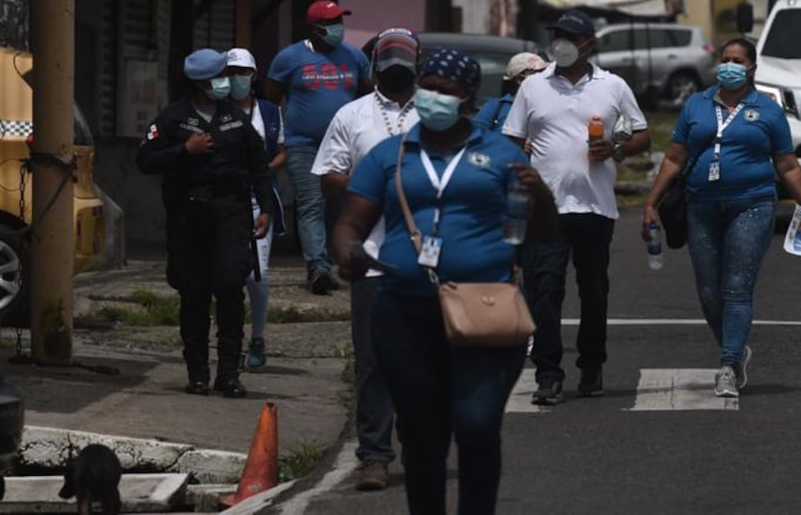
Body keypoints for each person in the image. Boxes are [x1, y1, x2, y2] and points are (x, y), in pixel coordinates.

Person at [333, 48, 557, 515]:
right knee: (421, 433)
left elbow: (533, 234)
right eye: (427, 86)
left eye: (445, 90)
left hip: (485, 307)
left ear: (468, 98)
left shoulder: (500, 154)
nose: (432, 97)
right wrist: (348, 250)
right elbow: (351, 222)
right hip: (404, 311)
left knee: (476, 426)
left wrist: (541, 199)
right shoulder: (390, 155)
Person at [641, 37, 801, 397]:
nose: (730, 66)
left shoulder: (767, 110)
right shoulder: (697, 104)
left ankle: (728, 363)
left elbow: (786, 165)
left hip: (751, 204)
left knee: (736, 287)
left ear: (752, 67)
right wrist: (651, 203)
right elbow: (675, 157)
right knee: (708, 289)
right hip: (701, 205)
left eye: (738, 60)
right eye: (725, 59)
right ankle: (735, 349)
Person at [502, 9, 651, 404]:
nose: (560, 43)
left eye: (569, 36)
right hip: (543, 208)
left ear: (589, 44)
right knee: (544, 290)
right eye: (555, 35)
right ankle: (548, 373)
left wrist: (616, 148)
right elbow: (512, 138)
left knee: (594, 289)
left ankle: (592, 364)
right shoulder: (533, 87)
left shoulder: (613, 86)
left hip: (594, 207)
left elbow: (642, 135)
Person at [312, 27, 421, 492]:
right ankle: (374, 455)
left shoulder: (437, 114)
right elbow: (328, 174)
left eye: (405, 59)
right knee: (374, 361)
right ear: (375, 65)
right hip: (372, 257)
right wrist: (365, 183)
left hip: (427, 260)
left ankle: (419, 446)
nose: (397, 67)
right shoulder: (352, 114)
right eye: (389, 58)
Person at [136, 49, 274, 398]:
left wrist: (266, 209)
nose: (227, 82)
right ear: (200, 82)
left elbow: (259, 166)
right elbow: (145, 160)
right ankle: (197, 372)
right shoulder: (173, 119)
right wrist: (186, 150)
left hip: (231, 214)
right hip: (189, 217)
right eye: (220, 76)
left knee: (230, 288)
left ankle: (229, 374)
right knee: (193, 295)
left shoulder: (236, 118)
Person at [266, 0, 373, 295]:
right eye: (331, 23)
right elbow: (272, 98)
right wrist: (276, 138)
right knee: (312, 202)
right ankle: (317, 268)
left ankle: (341, 262)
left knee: (340, 206)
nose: (338, 28)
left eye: (340, 20)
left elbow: (369, 96)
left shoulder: (354, 57)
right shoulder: (289, 58)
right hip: (304, 145)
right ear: (314, 28)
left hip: (343, 146)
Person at [225, 47, 287, 371]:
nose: (237, 79)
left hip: (259, 200)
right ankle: (230, 341)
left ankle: (258, 337)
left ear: (253, 75)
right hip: (226, 200)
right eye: (231, 73)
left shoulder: (270, 112)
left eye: (243, 72)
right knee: (229, 274)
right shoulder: (218, 111)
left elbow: (281, 152)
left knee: (256, 274)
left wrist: (263, 170)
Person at [473, 51, 548, 133]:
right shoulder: (495, 108)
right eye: (540, 73)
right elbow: (476, 138)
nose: (547, 77)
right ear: (520, 79)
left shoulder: (552, 105)